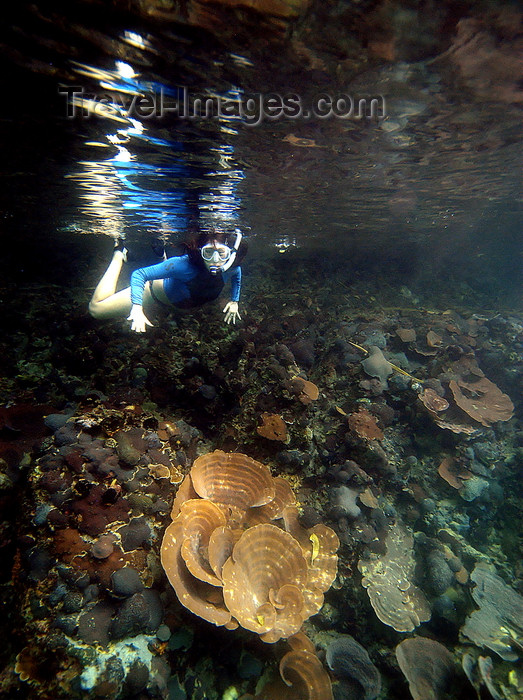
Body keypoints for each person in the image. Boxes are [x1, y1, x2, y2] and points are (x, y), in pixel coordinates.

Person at [88, 229, 246, 332]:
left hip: (174, 298)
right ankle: (119, 254)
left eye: (222, 253)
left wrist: (234, 301)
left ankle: (161, 257)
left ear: (231, 254)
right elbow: (139, 274)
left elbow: (237, 275)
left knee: (171, 272)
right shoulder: (182, 264)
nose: (215, 260)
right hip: (152, 294)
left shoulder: (231, 267)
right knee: (96, 310)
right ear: (199, 252)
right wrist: (137, 306)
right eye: (208, 252)